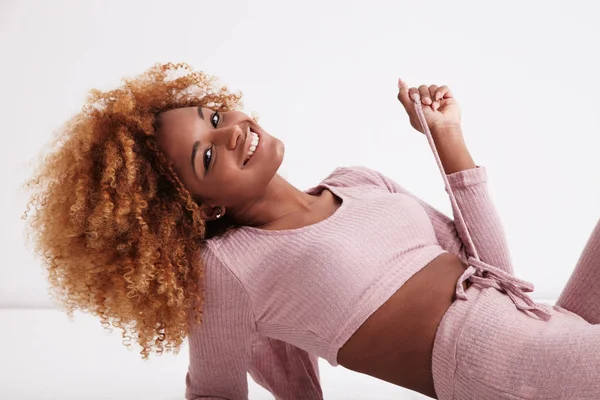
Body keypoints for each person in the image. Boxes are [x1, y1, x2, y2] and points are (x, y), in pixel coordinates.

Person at [21, 62, 600, 400]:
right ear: (197, 209)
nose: (231, 133)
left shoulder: (360, 179)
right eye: (205, 158)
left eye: (216, 117)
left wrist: (445, 137)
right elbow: (215, 393)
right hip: (497, 366)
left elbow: (498, 276)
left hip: (550, 326)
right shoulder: (227, 268)